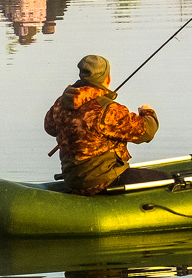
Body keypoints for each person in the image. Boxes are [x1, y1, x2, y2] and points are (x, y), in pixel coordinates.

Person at [43, 55, 162, 195]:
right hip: (104, 180)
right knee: (165, 180)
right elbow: (147, 132)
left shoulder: (60, 103)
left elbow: (49, 128)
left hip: (73, 179)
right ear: (108, 79)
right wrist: (147, 112)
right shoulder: (107, 109)